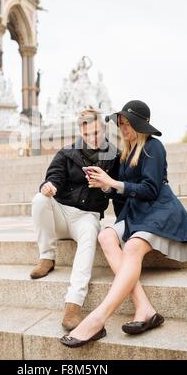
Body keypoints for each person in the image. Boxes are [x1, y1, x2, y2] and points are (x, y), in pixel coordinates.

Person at [60, 100, 187, 347]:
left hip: (161, 210)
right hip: (136, 213)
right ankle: (144, 308)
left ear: (140, 124)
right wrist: (107, 187)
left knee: (133, 247)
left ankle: (97, 318)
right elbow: (124, 193)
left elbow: (150, 189)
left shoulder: (153, 147)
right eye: (121, 123)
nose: (123, 128)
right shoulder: (125, 153)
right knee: (105, 236)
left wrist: (112, 183)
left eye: (128, 123)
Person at [31, 108, 122, 331]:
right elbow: (53, 177)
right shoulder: (65, 153)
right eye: (88, 134)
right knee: (39, 200)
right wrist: (49, 186)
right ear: (81, 132)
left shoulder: (115, 156)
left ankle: (73, 306)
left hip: (88, 216)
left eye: (97, 132)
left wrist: (106, 186)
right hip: (62, 212)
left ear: (103, 128)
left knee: (91, 233)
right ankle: (47, 257)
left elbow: (120, 191)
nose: (93, 138)